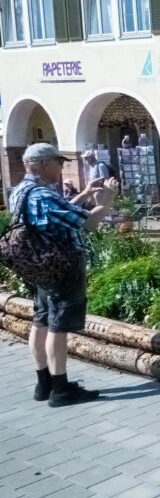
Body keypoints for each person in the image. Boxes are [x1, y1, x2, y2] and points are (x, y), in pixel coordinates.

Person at [10, 144, 119, 407]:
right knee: (58, 326)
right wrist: (106, 201)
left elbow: (59, 215)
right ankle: (61, 389)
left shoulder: (22, 191)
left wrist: (83, 194)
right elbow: (88, 223)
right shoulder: (44, 196)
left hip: (40, 265)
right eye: (58, 162)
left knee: (41, 320)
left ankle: (44, 384)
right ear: (44, 163)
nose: (61, 167)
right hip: (61, 267)